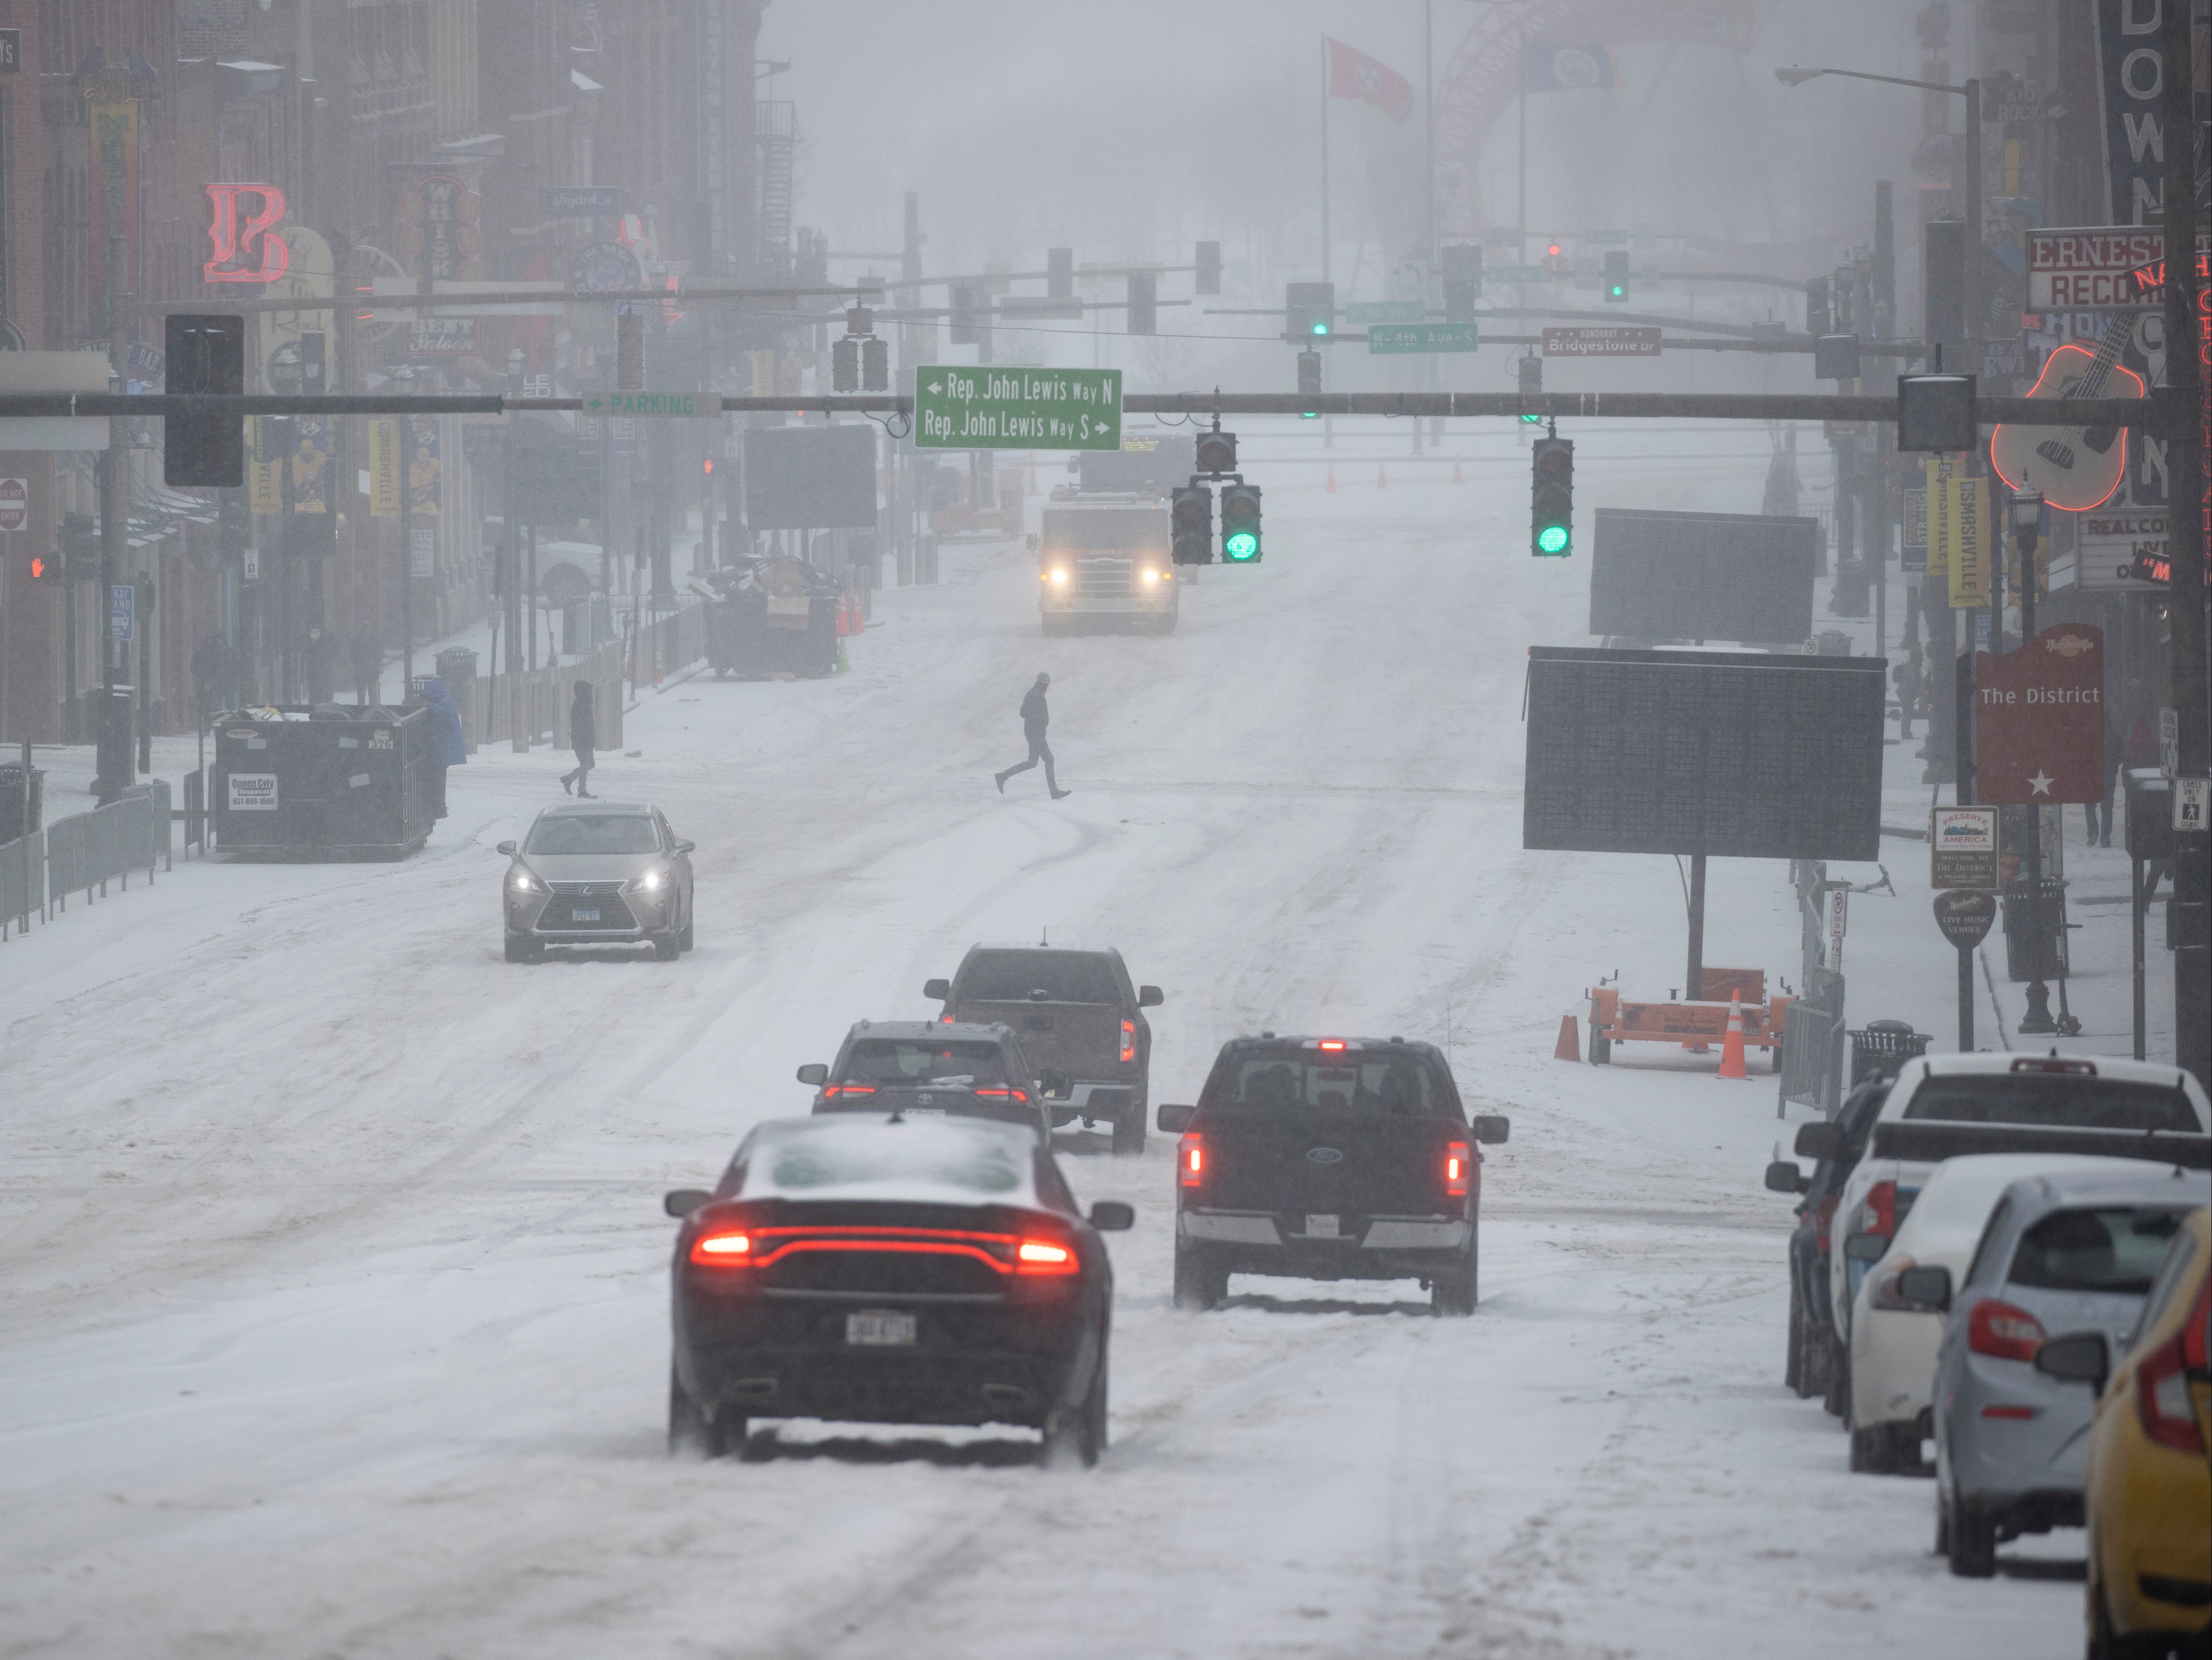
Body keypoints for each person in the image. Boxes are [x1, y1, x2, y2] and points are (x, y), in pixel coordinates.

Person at [994, 671, 1068, 799]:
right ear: (1045, 684)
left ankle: (1003, 776)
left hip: (1033, 732)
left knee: (1033, 762)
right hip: (1036, 733)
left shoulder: (1033, 693)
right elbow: (1026, 713)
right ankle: (1054, 792)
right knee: (1049, 760)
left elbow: (1023, 713)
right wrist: (1038, 724)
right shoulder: (1037, 695)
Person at [420, 676, 467, 820]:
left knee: (437, 780)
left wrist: (429, 706)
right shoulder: (444, 699)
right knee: (437, 780)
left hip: (443, 751)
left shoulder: (444, 702)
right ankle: (438, 808)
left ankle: (439, 808)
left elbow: (446, 716)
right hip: (443, 750)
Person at [561, 681, 596, 797]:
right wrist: (587, 738)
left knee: (590, 764)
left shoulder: (585, 705)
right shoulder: (581, 706)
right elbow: (582, 725)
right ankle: (582, 791)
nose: (591, 694)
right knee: (586, 764)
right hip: (582, 740)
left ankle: (569, 778)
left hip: (587, 740)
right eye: (589, 692)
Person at [349, 627, 381, 705]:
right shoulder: (375, 640)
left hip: (362, 669)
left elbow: (351, 653)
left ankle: (361, 709)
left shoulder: (355, 640)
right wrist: (377, 662)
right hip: (370, 669)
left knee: (362, 693)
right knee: (372, 693)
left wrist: (357, 662)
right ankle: (372, 709)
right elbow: (380, 653)